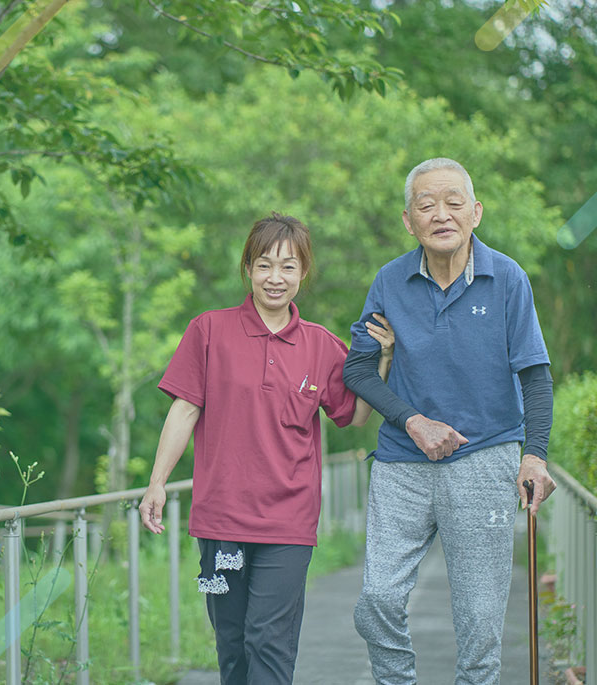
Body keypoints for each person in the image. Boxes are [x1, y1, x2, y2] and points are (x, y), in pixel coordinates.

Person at [138, 212, 393, 685]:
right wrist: (157, 484)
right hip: (221, 517)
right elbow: (184, 410)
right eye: (264, 265)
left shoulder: (321, 345)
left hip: (288, 520)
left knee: (268, 641)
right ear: (248, 269)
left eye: (289, 266)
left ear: (303, 273)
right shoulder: (208, 330)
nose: (276, 277)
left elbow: (353, 417)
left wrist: (384, 360)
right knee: (232, 643)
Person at [343, 157, 556, 685]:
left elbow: (535, 374)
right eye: (426, 204)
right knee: (377, 598)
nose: (441, 214)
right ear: (408, 220)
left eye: (453, 202)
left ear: (475, 212)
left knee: (481, 620)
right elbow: (359, 370)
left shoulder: (507, 278)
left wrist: (535, 453)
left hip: (486, 460)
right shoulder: (389, 281)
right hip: (401, 462)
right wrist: (412, 420)